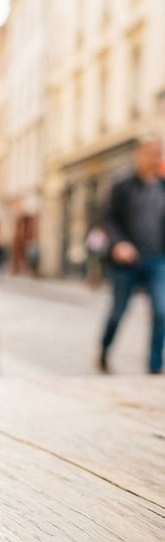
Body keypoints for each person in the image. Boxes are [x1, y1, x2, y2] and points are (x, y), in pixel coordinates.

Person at [99, 134, 165, 374]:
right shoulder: (122, 185)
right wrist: (119, 244)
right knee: (118, 311)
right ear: (138, 155)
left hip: (158, 259)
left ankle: (155, 365)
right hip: (127, 260)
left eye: (158, 152)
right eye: (151, 152)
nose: (155, 157)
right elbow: (109, 220)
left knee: (162, 311)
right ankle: (104, 350)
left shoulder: (162, 185)